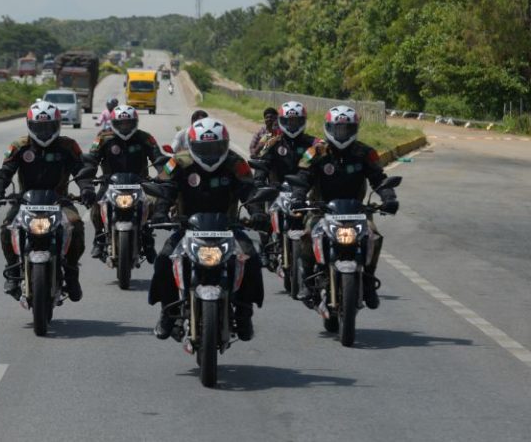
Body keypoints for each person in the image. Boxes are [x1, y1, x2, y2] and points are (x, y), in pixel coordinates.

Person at [149, 117, 267, 341]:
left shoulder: (236, 163)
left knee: (251, 258)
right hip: (187, 227)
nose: (211, 153)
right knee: (164, 259)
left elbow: (249, 191)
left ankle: (244, 312)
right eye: (205, 148)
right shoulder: (178, 162)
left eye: (215, 147)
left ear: (224, 145)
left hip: (228, 228)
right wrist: (160, 212)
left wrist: (257, 212)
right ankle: (168, 312)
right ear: (192, 145)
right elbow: (164, 188)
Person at [290, 105, 399, 310]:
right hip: (321, 210)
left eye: (346, 129)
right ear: (328, 128)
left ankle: (368, 281)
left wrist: (389, 197)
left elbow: (379, 179)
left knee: (374, 236)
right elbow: (302, 178)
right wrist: (297, 197)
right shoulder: (316, 152)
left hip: (357, 211)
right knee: (305, 235)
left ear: (354, 129)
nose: (342, 133)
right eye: (337, 128)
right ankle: (307, 279)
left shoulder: (365, 153)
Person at [0, 100, 90, 302]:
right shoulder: (19, 146)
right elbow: (5, 172)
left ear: (57, 125)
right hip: (25, 201)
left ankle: (71, 272)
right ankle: (12, 272)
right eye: (38, 127)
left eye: (48, 127)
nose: (43, 132)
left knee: (76, 225)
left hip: (59, 200)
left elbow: (81, 170)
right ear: (30, 125)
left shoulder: (68, 146)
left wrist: (87, 188)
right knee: (7, 227)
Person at [82, 105, 163, 262]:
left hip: (140, 184)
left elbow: (158, 158)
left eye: (128, 123)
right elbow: (91, 161)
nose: (125, 126)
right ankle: (99, 237)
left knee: (154, 202)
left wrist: (165, 178)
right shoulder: (103, 138)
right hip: (109, 183)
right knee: (96, 205)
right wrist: (87, 181)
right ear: (113, 123)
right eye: (121, 123)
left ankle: (147, 239)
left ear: (135, 123)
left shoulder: (145, 138)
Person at [252, 102, 321, 269]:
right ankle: (265, 249)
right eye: (289, 121)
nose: (292, 125)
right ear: (281, 121)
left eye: (296, 121)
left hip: (307, 193)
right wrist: (260, 180)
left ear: (303, 121)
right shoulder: (271, 142)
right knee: (262, 214)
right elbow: (262, 162)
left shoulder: (314, 143)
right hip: (277, 191)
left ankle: (315, 259)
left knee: (317, 224)